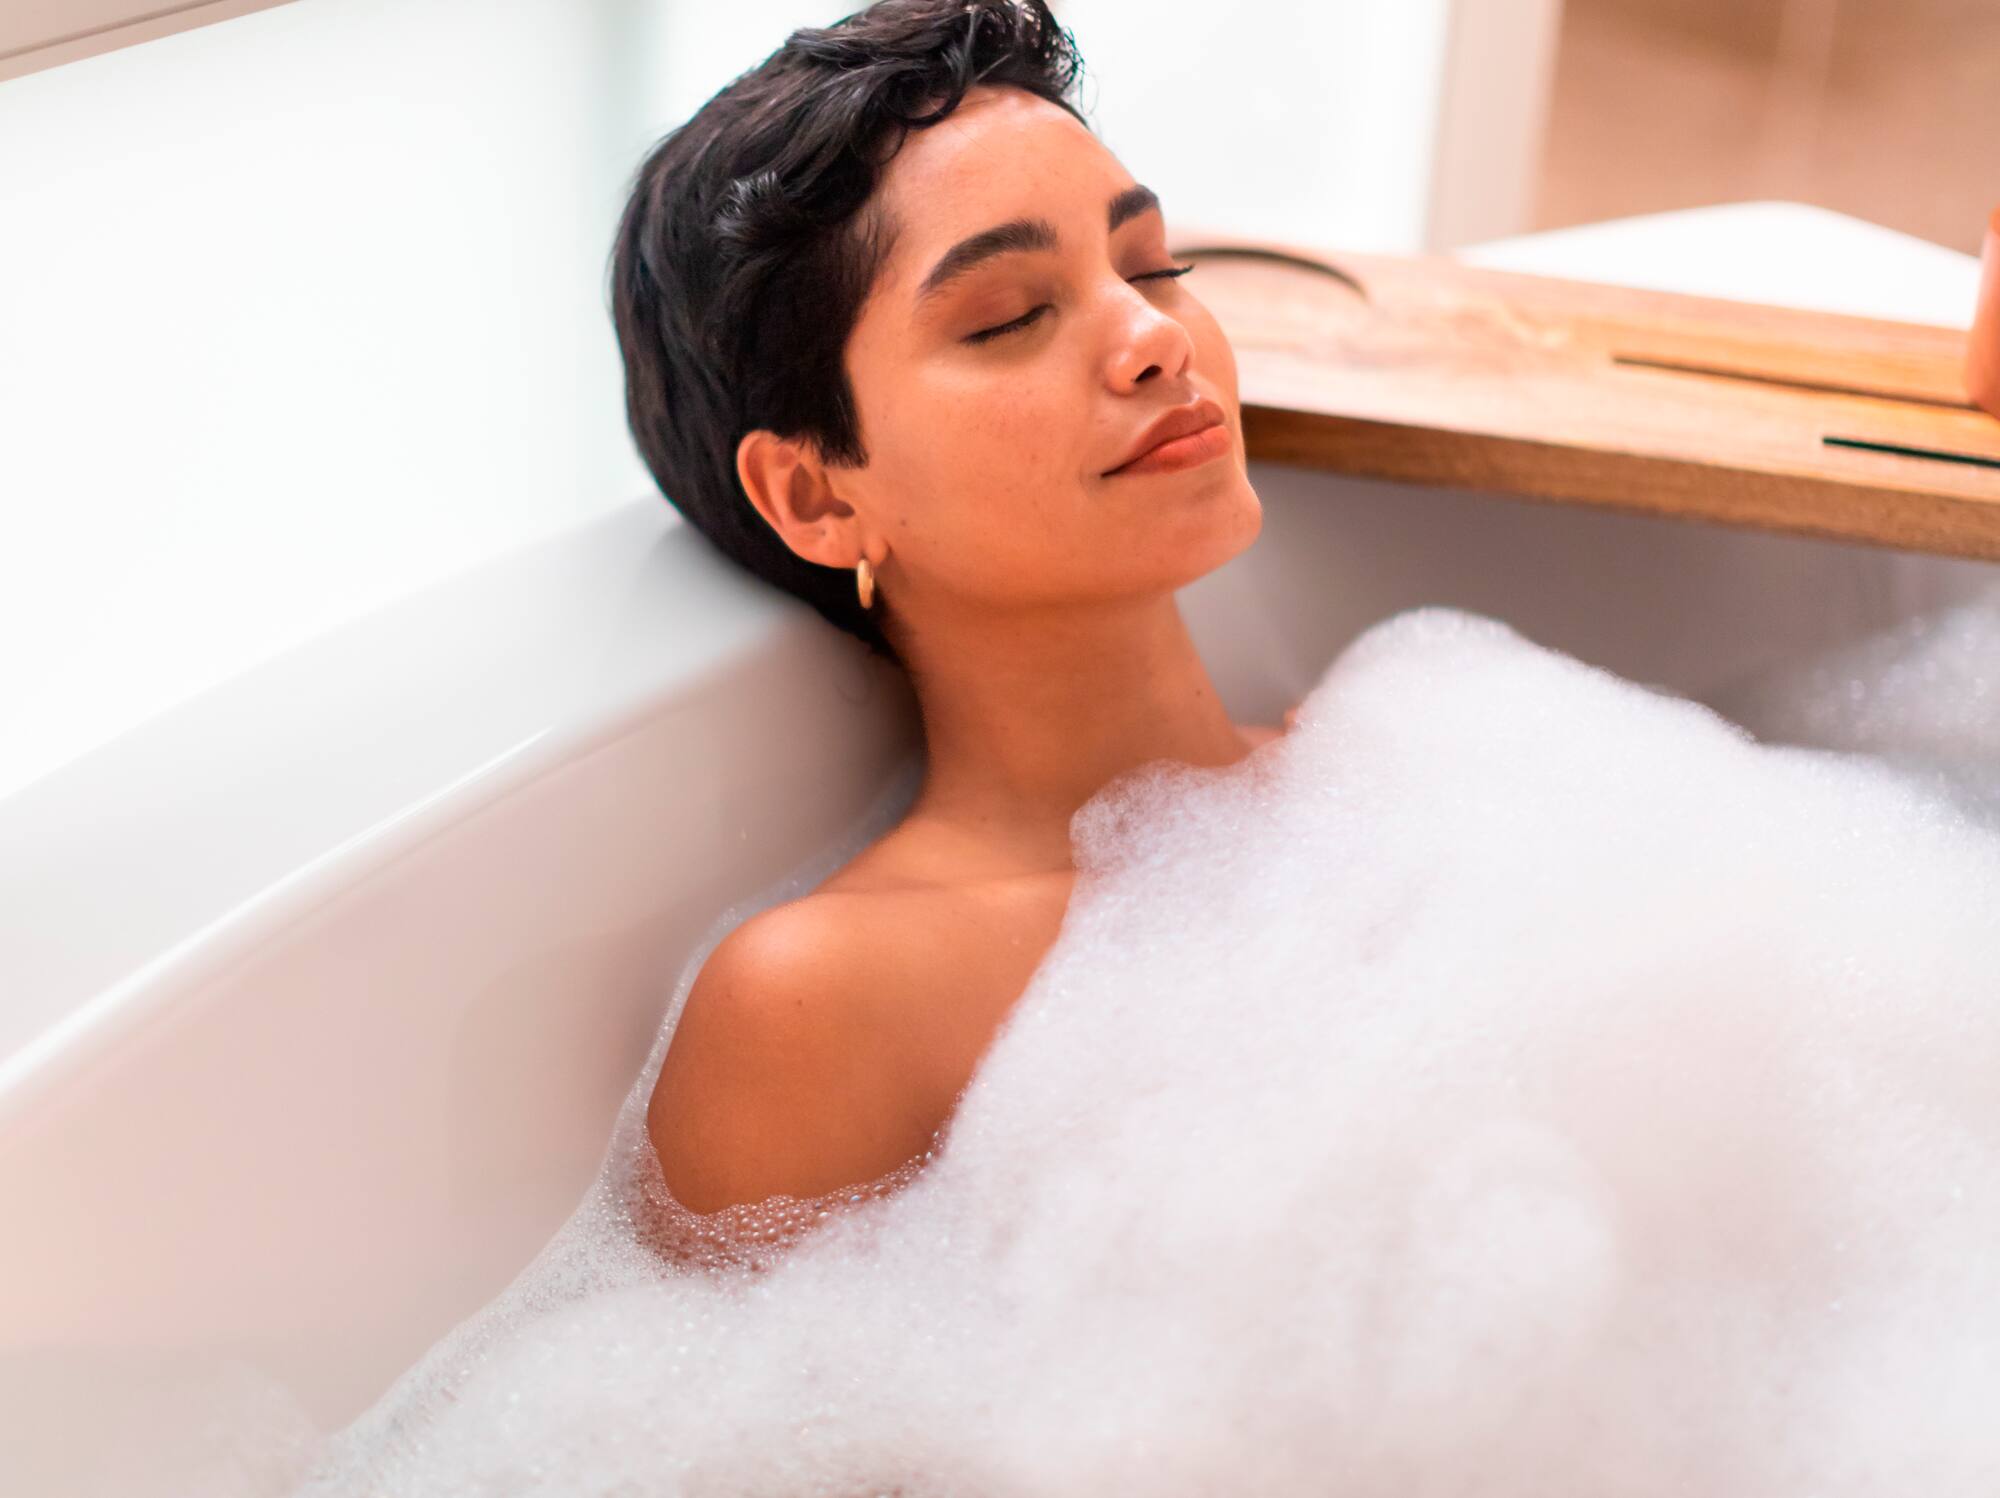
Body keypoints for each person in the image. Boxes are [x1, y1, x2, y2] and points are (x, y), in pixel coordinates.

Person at [609, 0, 1278, 1219]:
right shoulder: (821, 1001)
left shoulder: (1400, 767)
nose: (1152, 338)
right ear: (815, 494)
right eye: (1010, 315)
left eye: (1151, 267)